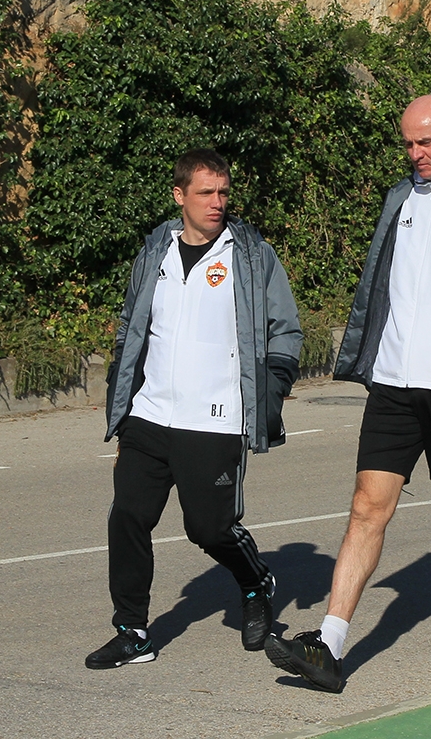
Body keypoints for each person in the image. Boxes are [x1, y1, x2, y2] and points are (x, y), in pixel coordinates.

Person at [263, 95, 431, 693]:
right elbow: (379, 285)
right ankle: (330, 644)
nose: (415, 155)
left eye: (426, 143)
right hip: (393, 380)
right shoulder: (401, 197)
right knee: (367, 505)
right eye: (408, 144)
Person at [86, 148, 303, 669]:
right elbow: (131, 325)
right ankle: (133, 632)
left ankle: (255, 582)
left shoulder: (251, 256)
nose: (217, 202)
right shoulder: (155, 251)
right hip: (149, 413)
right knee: (128, 517)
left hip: (215, 417)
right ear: (179, 195)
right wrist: (122, 394)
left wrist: (271, 389)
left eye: (223, 192)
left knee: (208, 529)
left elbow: (285, 331)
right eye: (206, 193)